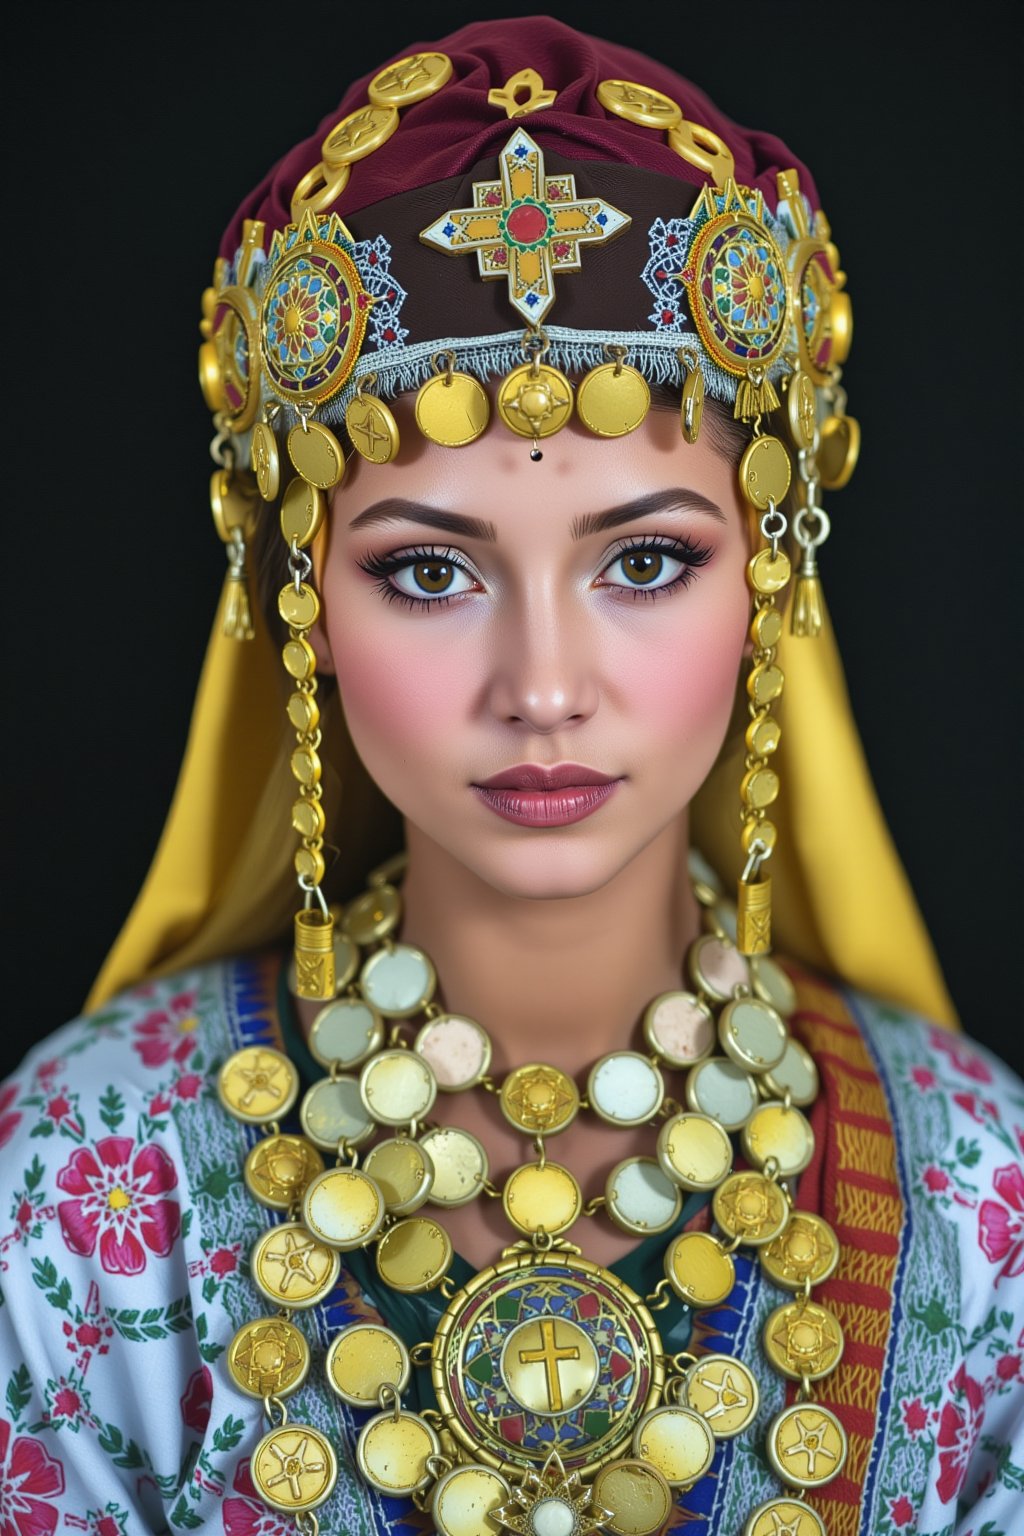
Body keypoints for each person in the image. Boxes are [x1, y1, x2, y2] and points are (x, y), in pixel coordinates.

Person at [1, 18, 1020, 1536]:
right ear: (303, 609)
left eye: (649, 561)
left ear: (772, 588)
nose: (543, 687)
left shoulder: (975, 1199)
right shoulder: (89, 1179)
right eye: (426, 571)